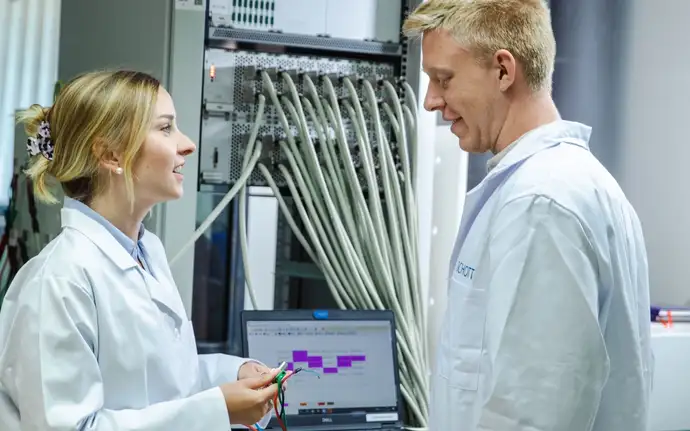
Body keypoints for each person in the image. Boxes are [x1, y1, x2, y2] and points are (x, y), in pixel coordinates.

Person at [403, 1, 652, 430]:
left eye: (443, 79)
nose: (430, 101)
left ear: (503, 70)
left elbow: (532, 414)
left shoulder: (542, 203)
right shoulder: (563, 185)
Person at [0, 70, 284, 430]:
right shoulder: (59, 280)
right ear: (111, 155)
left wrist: (234, 371)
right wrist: (216, 412)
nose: (188, 144)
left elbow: (159, 382)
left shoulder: (146, 251)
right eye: (165, 128)